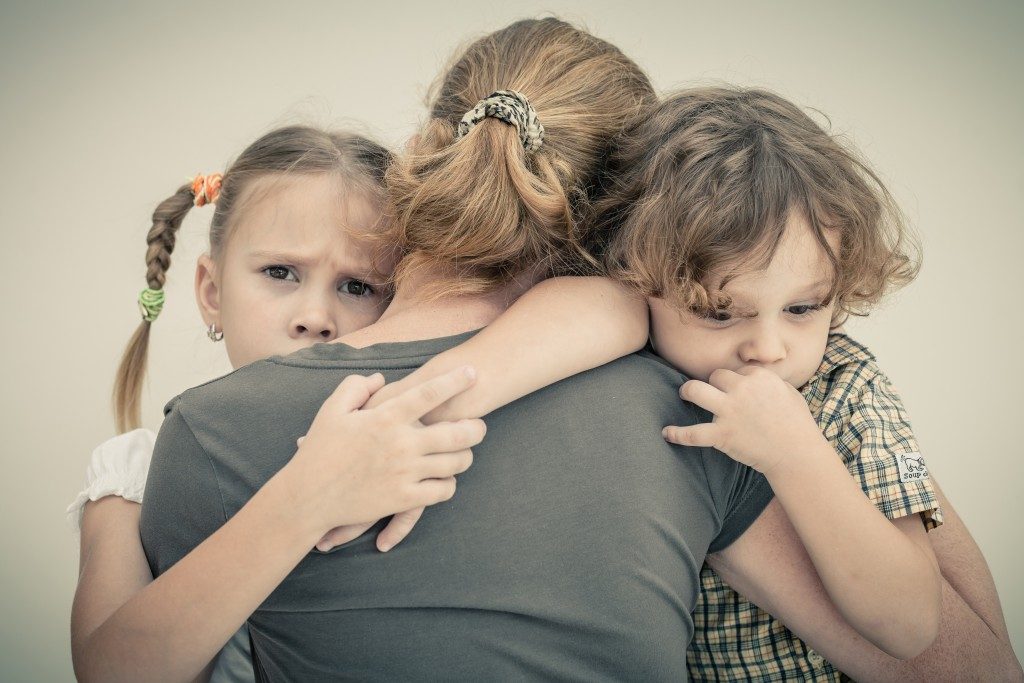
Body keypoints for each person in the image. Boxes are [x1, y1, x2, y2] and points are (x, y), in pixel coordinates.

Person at [140, 19, 939, 682]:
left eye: (805, 307)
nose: (767, 344)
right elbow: (930, 655)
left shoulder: (211, 434)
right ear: (626, 229)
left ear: (420, 152)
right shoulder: (692, 408)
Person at [68, 123, 647, 681]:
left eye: (357, 287)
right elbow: (113, 670)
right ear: (212, 292)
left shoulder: (405, 436)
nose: (316, 318)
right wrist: (307, 497)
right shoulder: (134, 479)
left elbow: (616, 303)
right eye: (280, 272)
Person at [592, 86, 1022, 680]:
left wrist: (797, 455)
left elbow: (912, 623)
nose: (768, 350)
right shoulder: (625, 378)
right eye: (720, 312)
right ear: (635, 282)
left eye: (803, 308)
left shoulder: (851, 397)